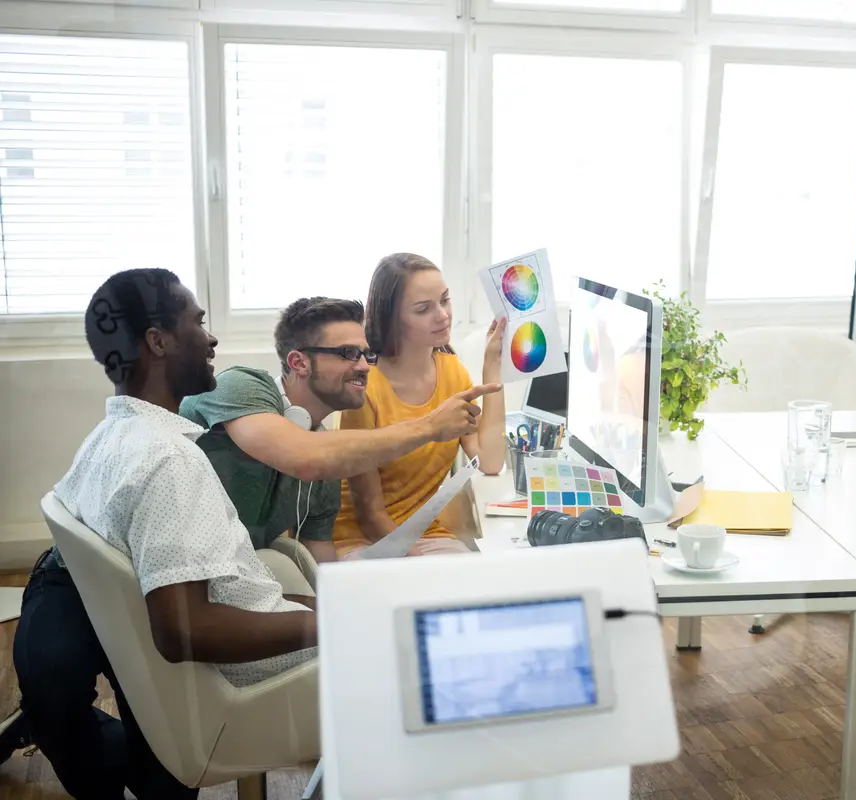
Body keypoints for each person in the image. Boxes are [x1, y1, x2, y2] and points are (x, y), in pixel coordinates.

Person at [12, 269, 316, 799]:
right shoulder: (168, 461)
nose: (212, 337)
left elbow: (224, 594)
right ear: (158, 341)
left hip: (264, 637)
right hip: (269, 677)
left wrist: (314, 607)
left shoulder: (114, 434)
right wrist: (329, 625)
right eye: (198, 322)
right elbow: (183, 628)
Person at [179, 297, 500, 563]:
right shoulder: (239, 386)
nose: (364, 366)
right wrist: (429, 426)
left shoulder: (328, 459)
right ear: (299, 363)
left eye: (366, 354)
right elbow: (304, 456)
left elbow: (324, 566)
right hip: (182, 592)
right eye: (348, 353)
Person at [333, 253, 507, 558]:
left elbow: (490, 462)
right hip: (363, 539)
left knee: (487, 584)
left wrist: (492, 365)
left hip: (424, 532)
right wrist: (418, 566)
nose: (443, 315)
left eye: (445, 300)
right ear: (391, 319)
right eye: (424, 309)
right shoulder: (365, 388)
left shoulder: (453, 372)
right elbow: (371, 516)